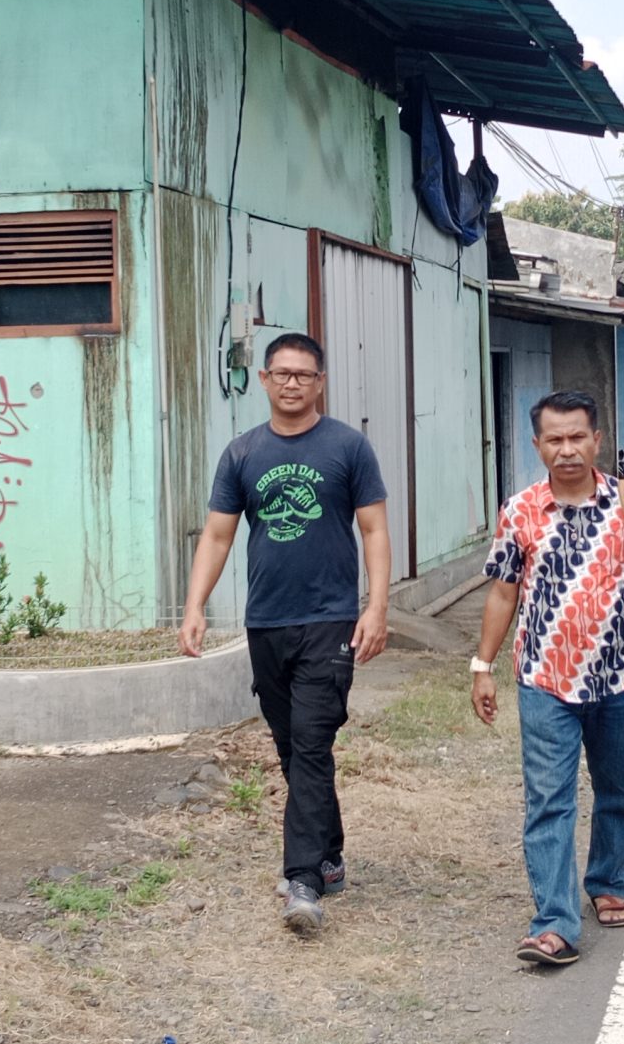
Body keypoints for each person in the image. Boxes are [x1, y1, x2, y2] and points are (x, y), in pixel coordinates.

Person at [470, 390, 624, 968]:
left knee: (618, 791)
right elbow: (502, 592)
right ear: (537, 446)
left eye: (578, 437)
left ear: (597, 440)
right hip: (544, 677)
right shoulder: (520, 510)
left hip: (620, 674)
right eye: (555, 439)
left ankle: (606, 880)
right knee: (549, 802)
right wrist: (482, 666)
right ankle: (554, 923)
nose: (567, 449)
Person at [180, 333, 392, 934]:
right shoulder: (242, 453)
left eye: (304, 374)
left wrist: (375, 607)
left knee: (312, 741)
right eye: (282, 373)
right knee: (291, 748)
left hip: (330, 621)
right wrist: (195, 606)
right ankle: (328, 856)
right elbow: (218, 535)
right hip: (266, 620)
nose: (293, 383)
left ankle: (302, 881)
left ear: (320, 382)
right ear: (266, 380)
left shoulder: (348, 447)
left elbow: (374, 531)